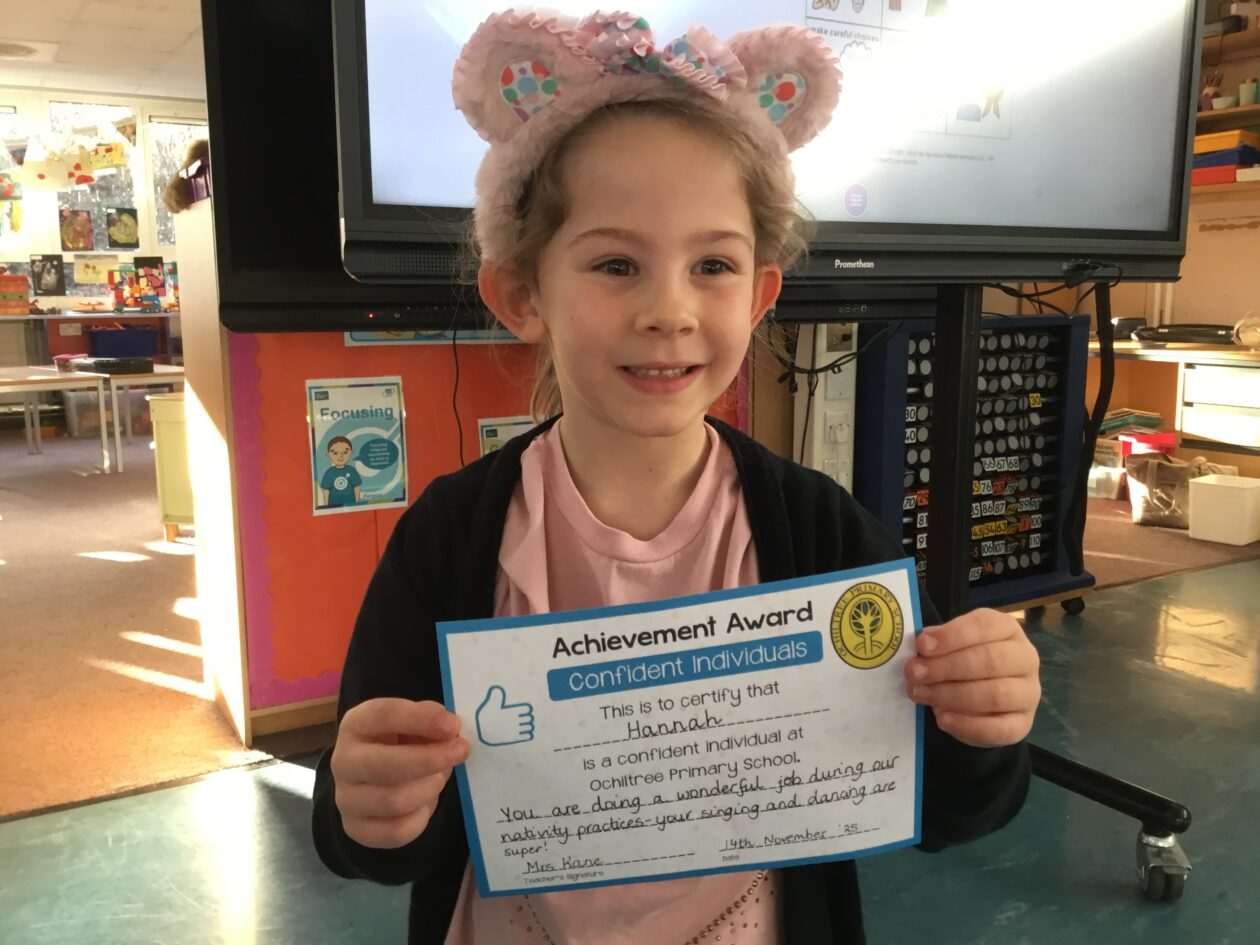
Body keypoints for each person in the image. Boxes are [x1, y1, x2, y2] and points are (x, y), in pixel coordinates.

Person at [312, 10, 1040, 945]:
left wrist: (985, 724)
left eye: (713, 265)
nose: (669, 309)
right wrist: (367, 804)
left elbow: (944, 807)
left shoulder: (818, 530)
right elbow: (367, 830)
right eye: (617, 263)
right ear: (522, 294)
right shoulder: (452, 537)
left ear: (760, 294)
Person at [320, 435, 362, 507]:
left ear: (351, 453)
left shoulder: (351, 471)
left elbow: (357, 487)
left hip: (350, 504)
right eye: (335, 453)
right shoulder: (329, 473)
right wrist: (326, 506)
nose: (340, 456)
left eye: (345, 452)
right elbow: (326, 490)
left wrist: (357, 503)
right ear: (328, 455)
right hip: (334, 505)